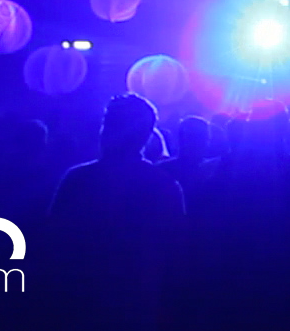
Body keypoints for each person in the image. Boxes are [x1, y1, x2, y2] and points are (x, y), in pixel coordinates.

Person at [45, 94, 186, 331]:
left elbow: (53, 239)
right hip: (135, 300)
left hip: (78, 299)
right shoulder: (165, 185)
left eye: (107, 123)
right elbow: (176, 252)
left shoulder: (79, 178)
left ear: (108, 129)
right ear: (146, 136)